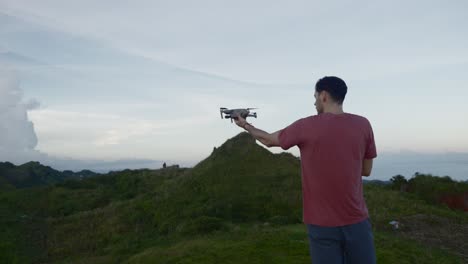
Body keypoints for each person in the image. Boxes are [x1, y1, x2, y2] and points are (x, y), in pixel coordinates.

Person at [234, 76, 377, 264]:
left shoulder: (306, 125)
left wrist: (244, 124)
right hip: (357, 221)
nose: (315, 101)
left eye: (315, 96)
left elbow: (268, 140)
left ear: (324, 96)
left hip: (321, 223)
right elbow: (366, 171)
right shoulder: (363, 124)